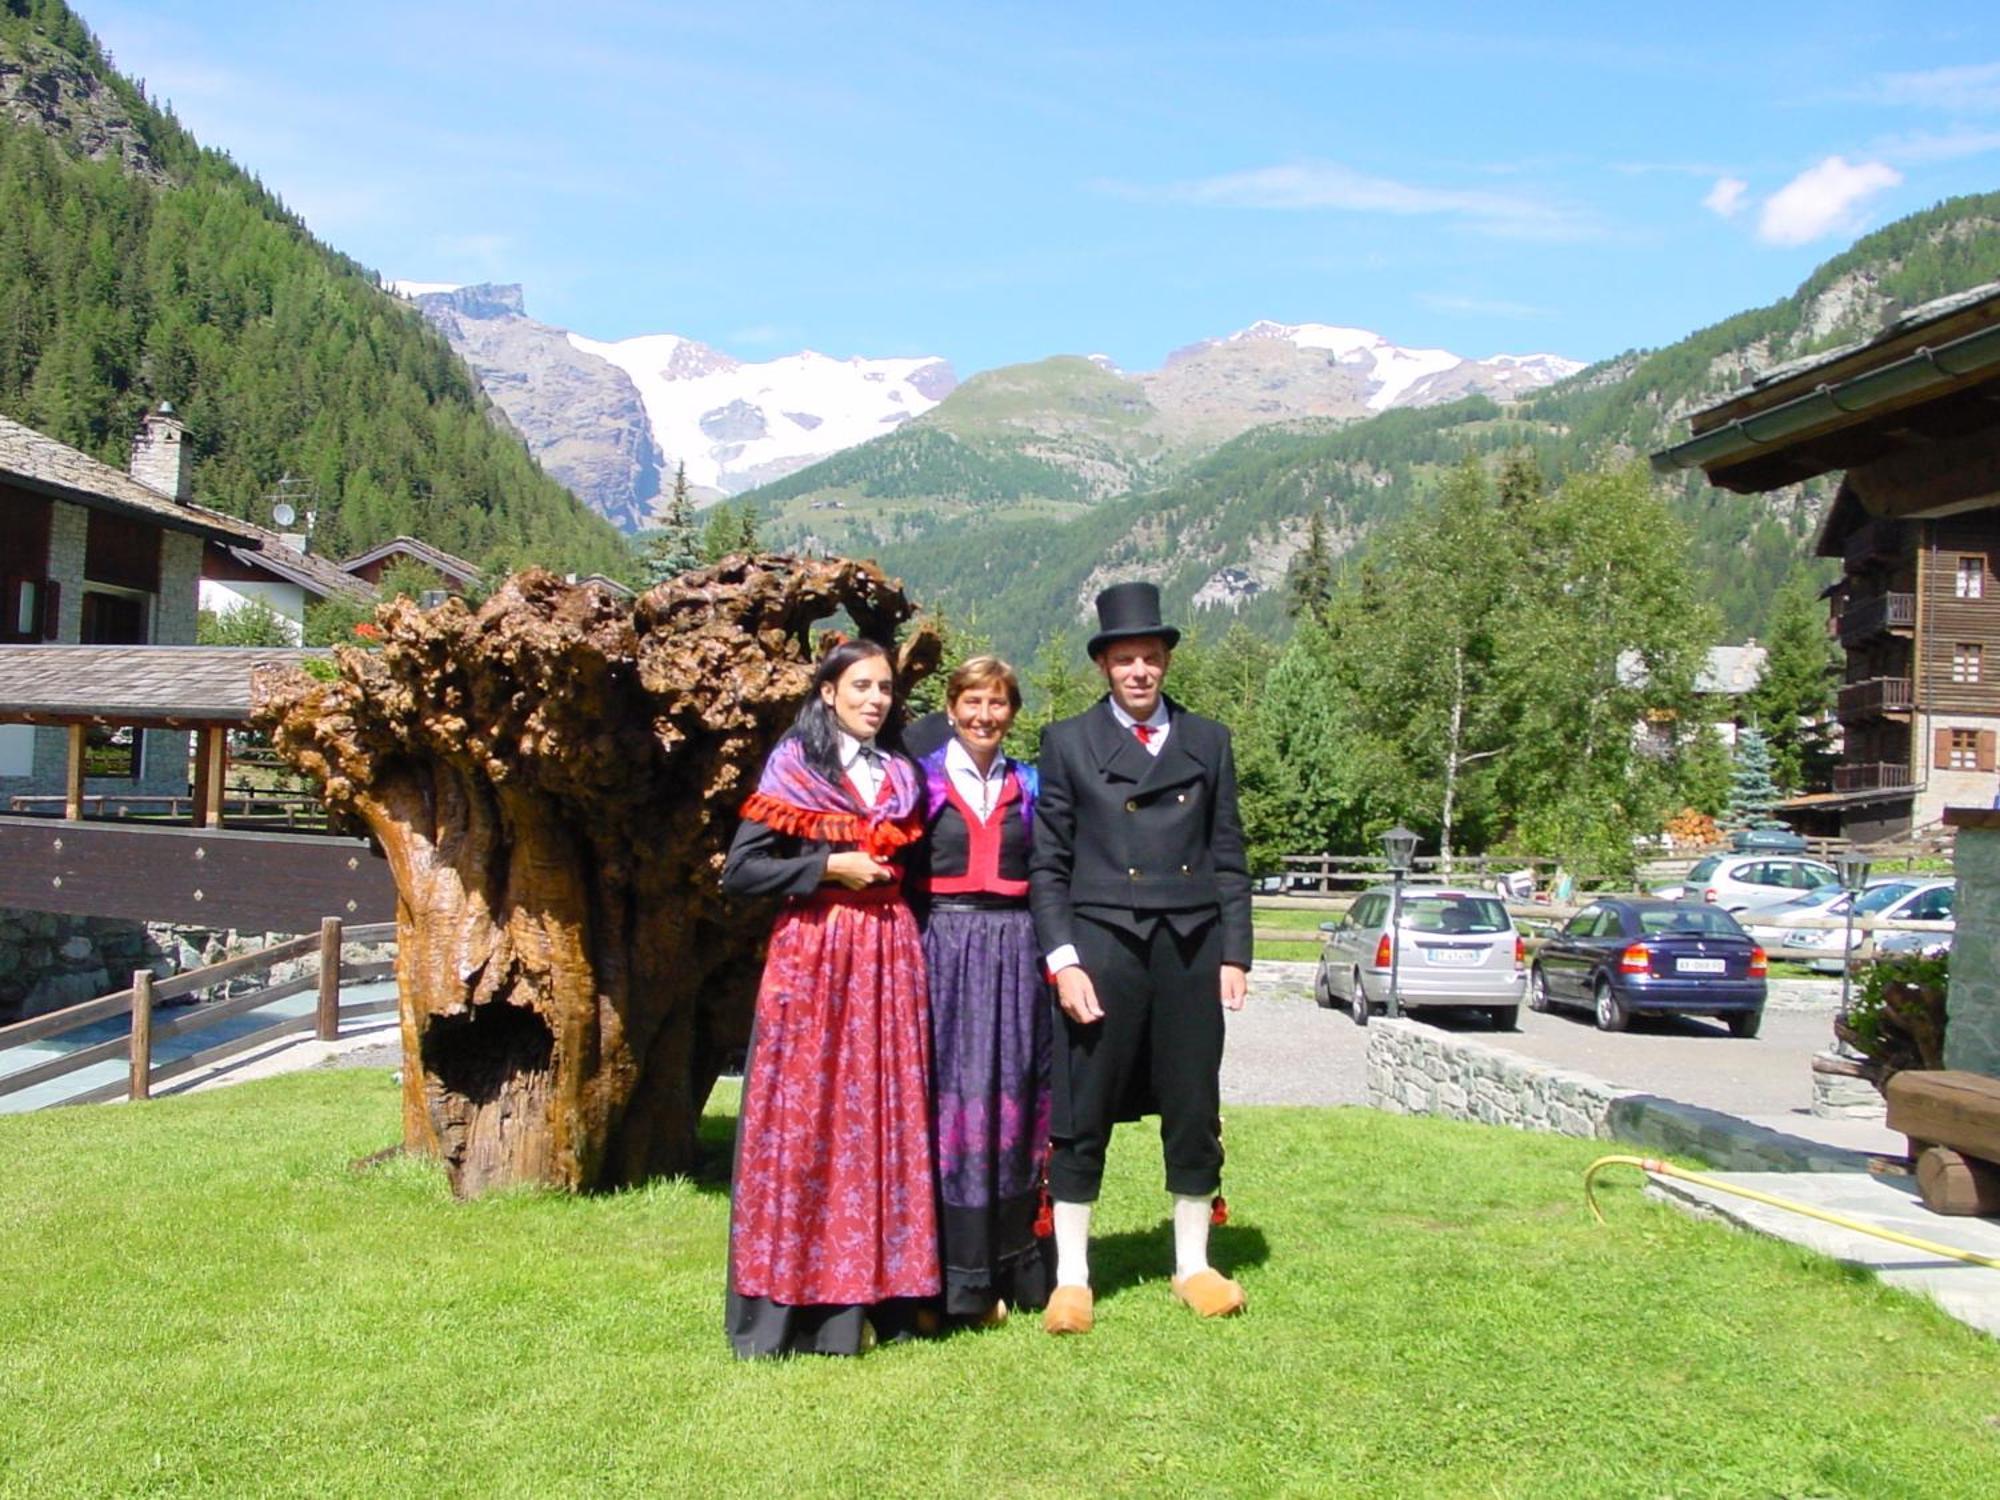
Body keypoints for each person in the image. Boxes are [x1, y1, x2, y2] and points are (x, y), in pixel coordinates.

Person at [1029, 581, 1253, 1336]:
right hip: (1101, 948)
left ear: (1165, 663)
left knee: (1193, 1107)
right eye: (1125, 659)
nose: (1139, 671)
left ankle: (1192, 1265)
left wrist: (1236, 951)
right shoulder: (1065, 743)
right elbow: (1048, 865)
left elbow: (1229, 855)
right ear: (1104, 667)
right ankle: (1072, 1278)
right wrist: (1064, 960)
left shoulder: (1208, 740)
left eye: (1150, 658)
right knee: (1082, 1105)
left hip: (1191, 949)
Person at [720, 639, 939, 1358]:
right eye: (861, 686)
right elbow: (743, 870)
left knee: (883, 1119)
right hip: (815, 956)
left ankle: (887, 1300)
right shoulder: (795, 766)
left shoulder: (902, 773)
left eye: (884, 688)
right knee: (806, 1120)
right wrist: (826, 866)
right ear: (828, 693)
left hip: (888, 957)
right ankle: (795, 1312)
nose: (875, 698)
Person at [910, 656, 1054, 1325]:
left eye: (997, 703)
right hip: (945, 951)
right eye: (972, 701)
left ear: (1012, 713)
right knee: (947, 1106)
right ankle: (945, 1281)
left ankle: (1012, 1271)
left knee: (1014, 1103)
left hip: (1017, 954)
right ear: (950, 707)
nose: (984, 715)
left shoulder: (1031, 785)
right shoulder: (920, 782)